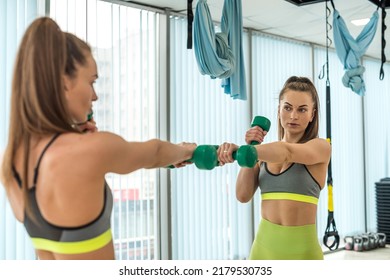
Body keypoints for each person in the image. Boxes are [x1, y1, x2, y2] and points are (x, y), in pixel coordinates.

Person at [0, 17, 196, 260]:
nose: (95, 96)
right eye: (91, 82)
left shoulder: (13, 160)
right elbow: (154, 152)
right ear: (64, 83)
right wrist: (187, 151)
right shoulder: (90, 150)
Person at [217, 76, 331, 260]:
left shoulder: (321, 147)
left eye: (302, 110)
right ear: (279, 110)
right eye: (287, 107)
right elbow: (242, 195)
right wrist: (250, 148)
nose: (293, 116)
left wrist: (247, 150)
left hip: (303, 255)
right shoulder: (263, 154)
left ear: (312, 114)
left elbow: (287, 152)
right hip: (262, 251)